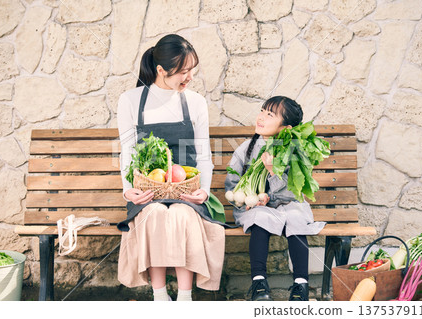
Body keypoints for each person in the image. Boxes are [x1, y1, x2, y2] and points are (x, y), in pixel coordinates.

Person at [116, 34, 225, 301]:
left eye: (191, 70)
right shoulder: (131, 100)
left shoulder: (195, 102)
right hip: (147, 192)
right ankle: (160, 295)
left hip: (187, 192)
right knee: (153, 214)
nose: (188, 78)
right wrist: (128, 190)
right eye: (183, 72)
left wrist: (205, 191)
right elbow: (127, 151)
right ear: (161, 70)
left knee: (181, 215)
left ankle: (185, 298)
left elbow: (203, 154)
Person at [224, 96, 326, 301]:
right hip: (253, 207)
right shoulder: (246, 149)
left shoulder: (294, 150)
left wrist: (273, 171)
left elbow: (294, 193)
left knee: (296, 217)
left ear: (285, 128)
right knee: (260, 217)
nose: (261, 117)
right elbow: (232, 185)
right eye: (262, 110)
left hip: (288, 205)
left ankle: (301, 285)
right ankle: (259, 284)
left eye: (269, 115)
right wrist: (244, 200)